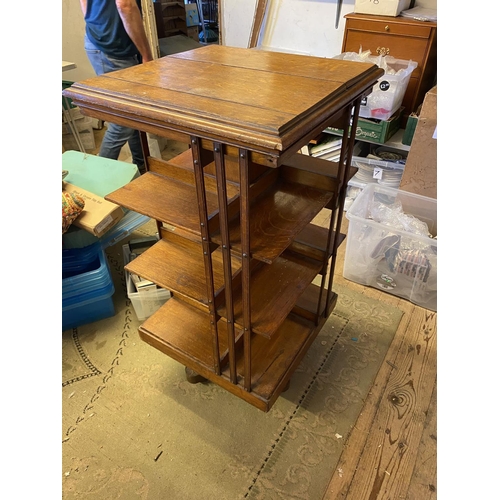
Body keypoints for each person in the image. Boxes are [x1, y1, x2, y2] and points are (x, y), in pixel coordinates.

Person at [79, 0, 153, 172]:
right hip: (113, 48)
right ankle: (99, 175)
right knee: (124, 119)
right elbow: (125, 5)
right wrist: (146, 55)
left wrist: (96, 24)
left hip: (100, 42)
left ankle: (142, 166)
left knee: (131, 112)